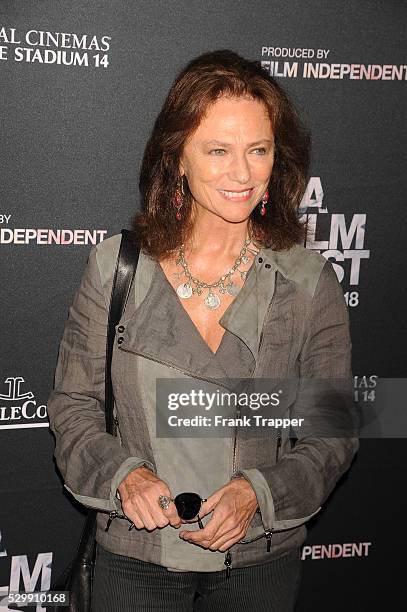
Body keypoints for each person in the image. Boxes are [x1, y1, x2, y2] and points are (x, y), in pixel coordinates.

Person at [47, 49, 359, 611]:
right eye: (218, 150)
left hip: (259, 563)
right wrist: (123, 476)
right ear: (178, 159)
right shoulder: (117, 268)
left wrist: (257, 494)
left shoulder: (308, 280)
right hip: (138, 557)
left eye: (258, 150)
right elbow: (73, 406)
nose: (242, 174)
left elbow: (332, 431)